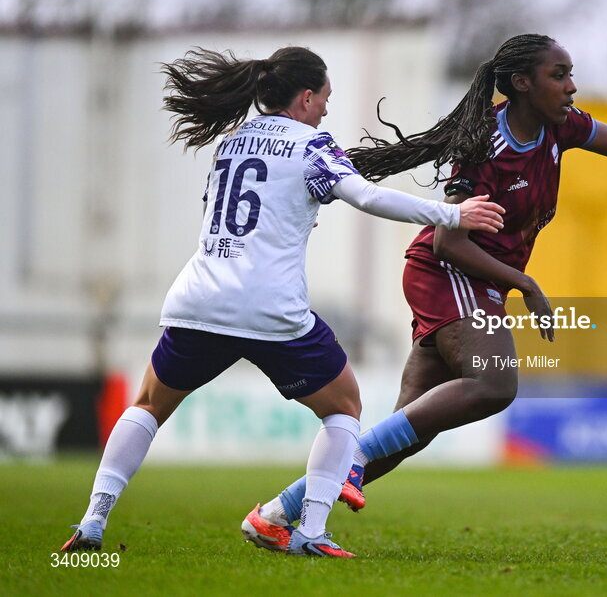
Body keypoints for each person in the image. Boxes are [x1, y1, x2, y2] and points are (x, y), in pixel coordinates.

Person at [59, 46, 504, 558]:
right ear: (307, 96)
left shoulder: (231, 142)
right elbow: (367, 197)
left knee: (148, 407)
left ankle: (93, 520)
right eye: (326, 99)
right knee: (344, 409)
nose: (327, 110)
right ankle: (310, 531)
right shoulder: (311, 144)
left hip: (200, 298)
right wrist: (451, 215)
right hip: (270, 307)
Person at [243, 33, 607, 547]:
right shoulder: (486, 141)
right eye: (560, 75)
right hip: (449, 272)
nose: (572, 87)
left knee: (402, 436)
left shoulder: (561, 127)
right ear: (522, 83)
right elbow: (449, 240)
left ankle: (276, 515)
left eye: (571, 74)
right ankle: (345, 464)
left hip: (475, 280)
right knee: (495, 382)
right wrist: (525, 283)